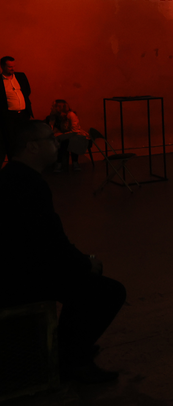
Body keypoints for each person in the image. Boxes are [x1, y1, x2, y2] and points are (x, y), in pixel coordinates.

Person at [0, 120, 126, 383]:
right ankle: (70, 360)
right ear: (32, 147)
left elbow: (46, 239)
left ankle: (69, 348)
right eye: (50, 138)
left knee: (82, 282)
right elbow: (49, 244)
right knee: (107, 291)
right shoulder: (28, 185)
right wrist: (85, 262)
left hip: (16, 266)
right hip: (18, 276)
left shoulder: (14, 177)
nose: (57, 142)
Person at [1, 55, 33, 162]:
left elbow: (27, 91)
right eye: (10, 67)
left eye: (13, 66)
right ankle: (13, 162)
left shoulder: (20, 76)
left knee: (24, 139)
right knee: (10, 140)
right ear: (3, 67)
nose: (13, 69)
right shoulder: (1, 80)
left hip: (23, 114)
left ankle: (24, 161)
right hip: (9, 116)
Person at [45, 99, 92, 171]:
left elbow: (75, 130)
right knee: (61, 141)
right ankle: (63, 163)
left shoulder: (71, 115)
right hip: (64, 136)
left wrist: (60, 135)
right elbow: (51, 129)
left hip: (76, 136)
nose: (51, 107)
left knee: (70, 141)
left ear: (59, 107)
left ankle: (67, 163)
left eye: (53, 106)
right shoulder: (54, 116)